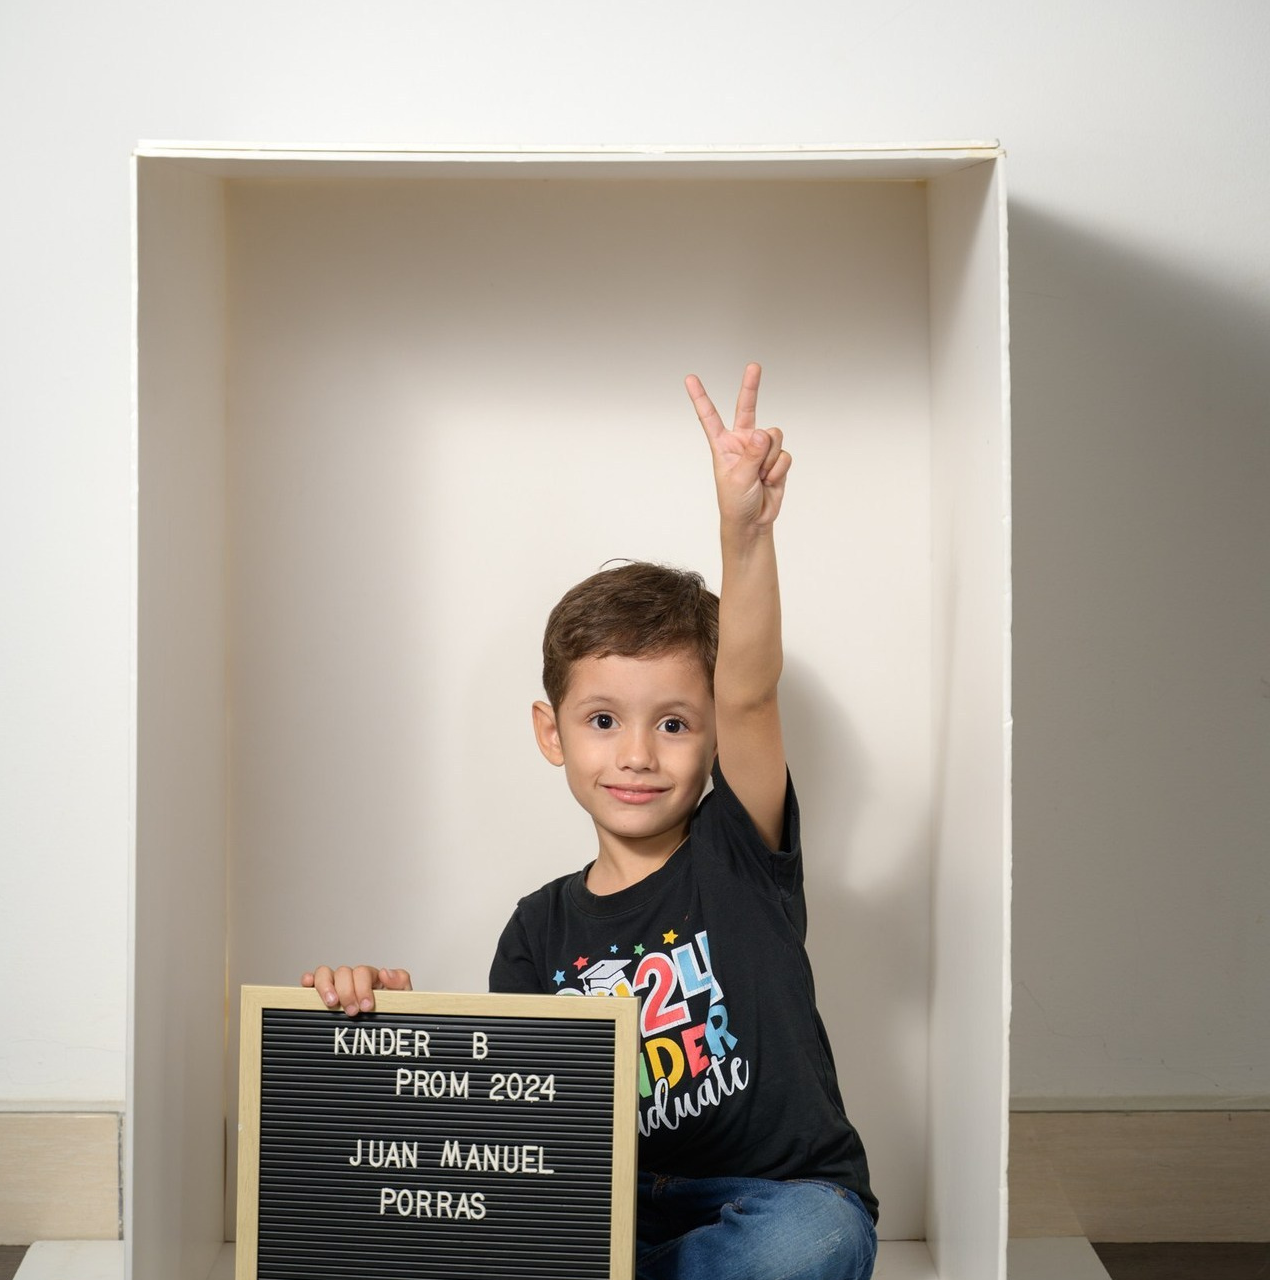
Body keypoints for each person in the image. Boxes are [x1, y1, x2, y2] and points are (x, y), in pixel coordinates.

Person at [304, 364, 878, 1280]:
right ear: (552, 733)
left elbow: (752, 685)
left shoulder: (739, 852)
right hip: (606, 1208)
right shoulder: (538, 931)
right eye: (603, 720)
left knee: (817, 1242)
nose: (638, 754)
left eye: (676, 723)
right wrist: (387, 1017)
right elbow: (509, 1133)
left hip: (768, 1200)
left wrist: (746, 532)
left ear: (715, 736)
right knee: (515, 1239)